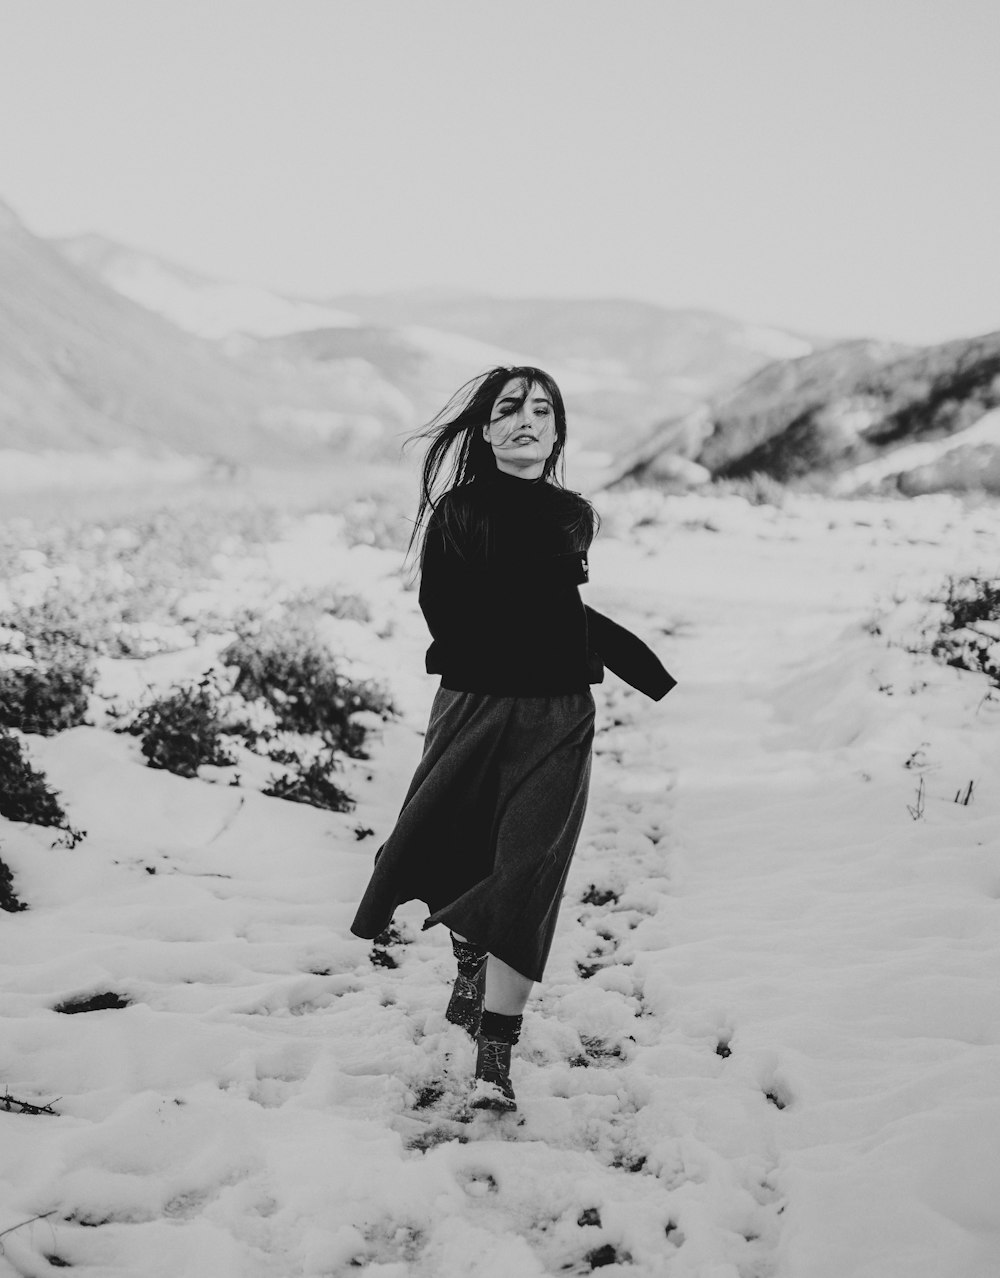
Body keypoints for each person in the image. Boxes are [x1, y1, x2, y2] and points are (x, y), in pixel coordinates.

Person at [350, 365, 675, 1112]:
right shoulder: (459, 515)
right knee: (453, 850)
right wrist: (541, 639)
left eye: (541, 410)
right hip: (475, 706)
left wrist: (638, 666)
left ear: (557, 431)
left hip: (560, 716)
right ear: (486, 429)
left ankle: (493, 1061)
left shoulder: (570, 516)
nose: (526, 419)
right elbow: (452, 615)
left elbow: (559, 612)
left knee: (528, 874)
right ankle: (468, 944)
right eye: (509, 409)